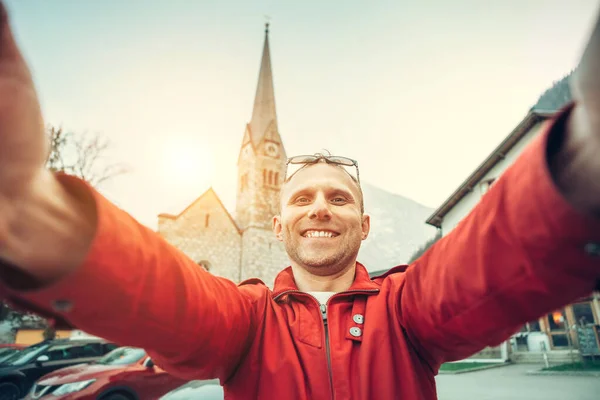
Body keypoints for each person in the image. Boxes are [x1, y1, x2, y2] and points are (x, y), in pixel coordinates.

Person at [0, 2, 599, 399]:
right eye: (302, 197)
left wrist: (581, 161)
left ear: (364, 225)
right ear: (279, 222)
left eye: (338, 198)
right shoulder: (246, 319)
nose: (319, 208)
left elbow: (480, 266)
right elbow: (168, 296)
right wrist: (32, 215)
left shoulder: (405, 310)